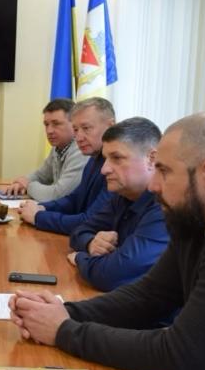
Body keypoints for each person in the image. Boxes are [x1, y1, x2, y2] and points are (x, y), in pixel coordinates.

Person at [9, 113, 205, 370]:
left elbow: (180, 355)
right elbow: (149, 296)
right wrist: (65, 311)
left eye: (163, 171)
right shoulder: (198, 216)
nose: (153, 185)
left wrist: (63, 331)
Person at [66, 117, 169, 291]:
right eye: (105, 159)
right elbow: (79, 231)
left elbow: (111, 275)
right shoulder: (123, 195)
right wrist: (91, 243)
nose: (104, 169)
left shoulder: (165, 206)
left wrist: (79, 258)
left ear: (152, 159)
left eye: (117, 158)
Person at [17, 97, 115, 234]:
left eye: (86, 128)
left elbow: (91, 221)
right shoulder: (94, 158)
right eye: (76, 129)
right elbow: (74, 199)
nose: (79, 137)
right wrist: (42, 208)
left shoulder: (116, 167)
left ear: (110, 126)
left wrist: (38, 217)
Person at [3, 99, 87, 201]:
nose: (49, 131)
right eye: (46, 124)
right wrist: (22, 182)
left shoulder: (81, 151)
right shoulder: (58, 147)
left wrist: (28, 186)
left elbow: (57, 195)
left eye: (56, 124)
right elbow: (41, 175)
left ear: (74, 124)